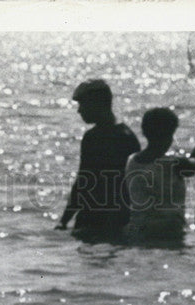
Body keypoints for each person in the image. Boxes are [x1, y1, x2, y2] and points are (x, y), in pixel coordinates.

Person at [55, 79, 140, 240]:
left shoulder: (94, 137)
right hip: (120, 216)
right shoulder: (127, 135)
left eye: (83, 105)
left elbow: (83, 181)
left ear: (97, 104)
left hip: (94, 218)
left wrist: (64, 220)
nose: (79, 111)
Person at [124, 107, 195, 244]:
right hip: (168, 233)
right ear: (168, 136)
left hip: (139, 230)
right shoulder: (172, 165)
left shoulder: (132, 161)